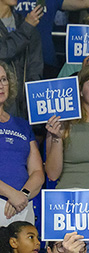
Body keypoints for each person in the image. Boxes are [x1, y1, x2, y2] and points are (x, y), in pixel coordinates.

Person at [0, 60, 42, 226]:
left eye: (4, 79)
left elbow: (37, 171)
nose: (1, 85)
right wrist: (11, 194)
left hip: (23, 206)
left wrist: (23, 195)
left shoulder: (22, 125)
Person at [0, 0, 42, 119]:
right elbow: (3, 52)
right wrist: (27, 28)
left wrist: (30, 103)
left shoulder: (25, 23)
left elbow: (35, 66)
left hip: (23, 108)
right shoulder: (27, 25)